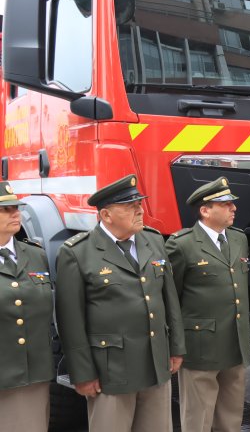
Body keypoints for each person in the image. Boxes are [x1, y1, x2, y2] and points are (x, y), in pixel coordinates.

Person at [55, 174, 185, 431]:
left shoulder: (154, 240)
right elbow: (70, 321)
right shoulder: (77, 252)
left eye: (139, 204)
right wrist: (82, 373)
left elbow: (169, 299)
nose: (140, 210)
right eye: (130, 206)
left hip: (155, 365)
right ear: (106, 215)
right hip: (111, 371)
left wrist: (176, 347)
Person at [166, 177, 250, 432]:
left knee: (231, 416)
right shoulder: (182, 245)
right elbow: (172, 300)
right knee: (198, 418)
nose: (233, 208)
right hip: (200, 346)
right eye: (225, 204)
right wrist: (176, 345)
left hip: (235, 343)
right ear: (205, 210)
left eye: (232, 204)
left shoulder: (238, 239)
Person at [0, 182, 54, 432]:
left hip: (33, 373)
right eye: (6, 209)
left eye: (16, 207)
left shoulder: (34, 254)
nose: (15, 213)